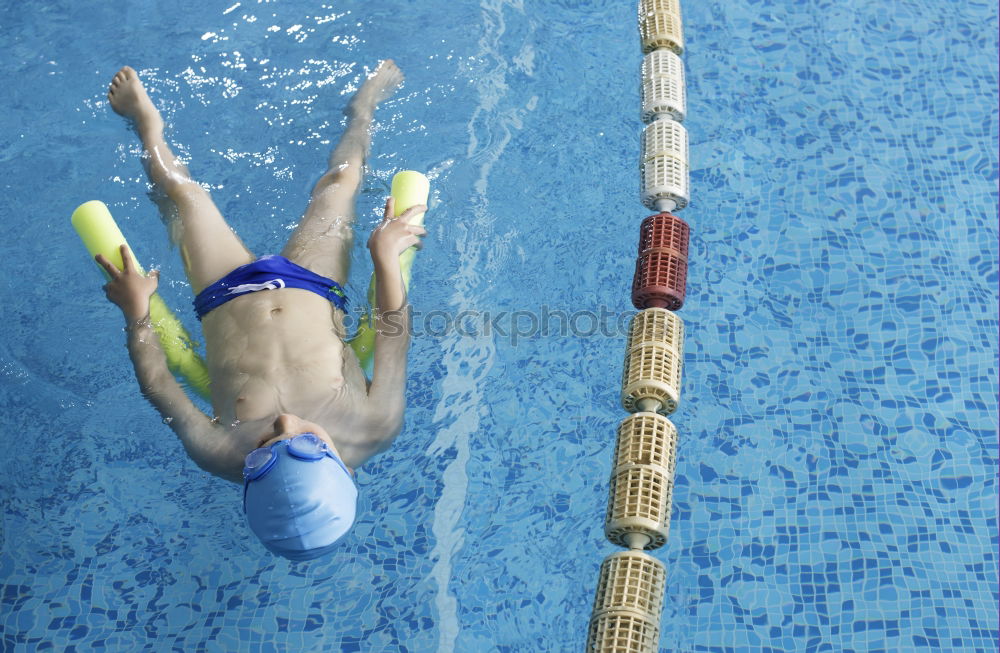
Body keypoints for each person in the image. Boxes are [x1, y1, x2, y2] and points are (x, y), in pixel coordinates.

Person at [95, 63, 427, 561]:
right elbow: (393, 336)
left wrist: (137, 313)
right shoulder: (375, 424)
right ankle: (364, 110)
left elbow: (158, 387)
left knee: (184, 195)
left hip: (224, 293)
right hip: (314, 285)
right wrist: (384, 254)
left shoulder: (216, 452)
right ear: (345, 467)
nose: (286, 422)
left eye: (267, 444)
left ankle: (146, 124)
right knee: (341, 182)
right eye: (308, 443)